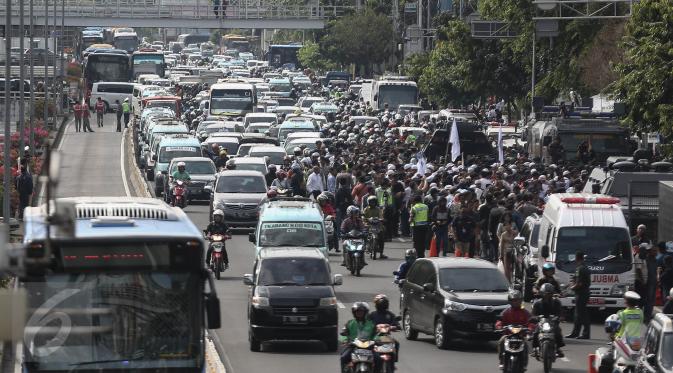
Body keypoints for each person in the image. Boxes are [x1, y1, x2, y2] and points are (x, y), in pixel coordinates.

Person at [496, 290, 534, 370]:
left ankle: (524, 363)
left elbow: (531, 321)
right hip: (508, 335)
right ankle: (501, 361)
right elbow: (500, 321)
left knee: (527, 344)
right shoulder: (506, 312)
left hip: (521, 335)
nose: (516, 302)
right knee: (501, 341)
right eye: (513, 300)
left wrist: (530, 328)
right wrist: (499, 327)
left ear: (521, 300)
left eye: (517, 300)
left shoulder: (525, 312)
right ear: (510, 301)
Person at [340, 302, 377, 373]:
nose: (359, 313)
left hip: (369, 347)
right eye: (358, 312)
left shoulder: (371, 324)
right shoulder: (349, 323)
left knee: (379, 359)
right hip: (353, 346)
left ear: (365, 313)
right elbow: (343, 334)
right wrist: (345, 340)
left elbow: (376, 334)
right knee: (343, 357)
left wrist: (377, 340)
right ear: (354, 313)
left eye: (361, 312)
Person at [531, 283, 565, 358]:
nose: (547, 295)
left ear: (552, 293)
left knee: (558, 332)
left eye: (549, 294)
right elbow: (533, 314)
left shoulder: (557, 302)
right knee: (535, 333)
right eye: (545, 293)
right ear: (542, 293)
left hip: (552, 323)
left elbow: (561, 312)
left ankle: (558, 349)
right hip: (541, 323)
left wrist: (560, 317)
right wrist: (535, 318)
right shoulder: (537, 303)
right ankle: (535, 349)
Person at [368, 294, 400, 362]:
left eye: (384, 303)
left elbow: (396, 324)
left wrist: (393, 327)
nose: (382, 305)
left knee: (396, 343)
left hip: (386, 337)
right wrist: (373, 328)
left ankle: (393, 361)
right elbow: (366, 325)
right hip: (374, 337)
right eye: (380, 304)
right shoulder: (372, 315)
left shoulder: (390, 314)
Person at [566, 251, 591, 339]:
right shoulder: (584, 267)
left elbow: (579, 283)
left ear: (577, 258)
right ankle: (575, 332)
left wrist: (571, 288)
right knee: (578, 314)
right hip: (582, 293)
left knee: (582, 314)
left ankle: (585, 333)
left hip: (581, 293)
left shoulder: (581, 268)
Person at [409, 194, 430, 258]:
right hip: (424, 226)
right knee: (423, 241)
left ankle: (417, 254)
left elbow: (411, 218)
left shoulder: (414, 207)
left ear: (415, 201)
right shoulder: (426, 206)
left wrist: (409, 221)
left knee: (416, 242)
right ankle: (422, 255)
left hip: (417, 227)